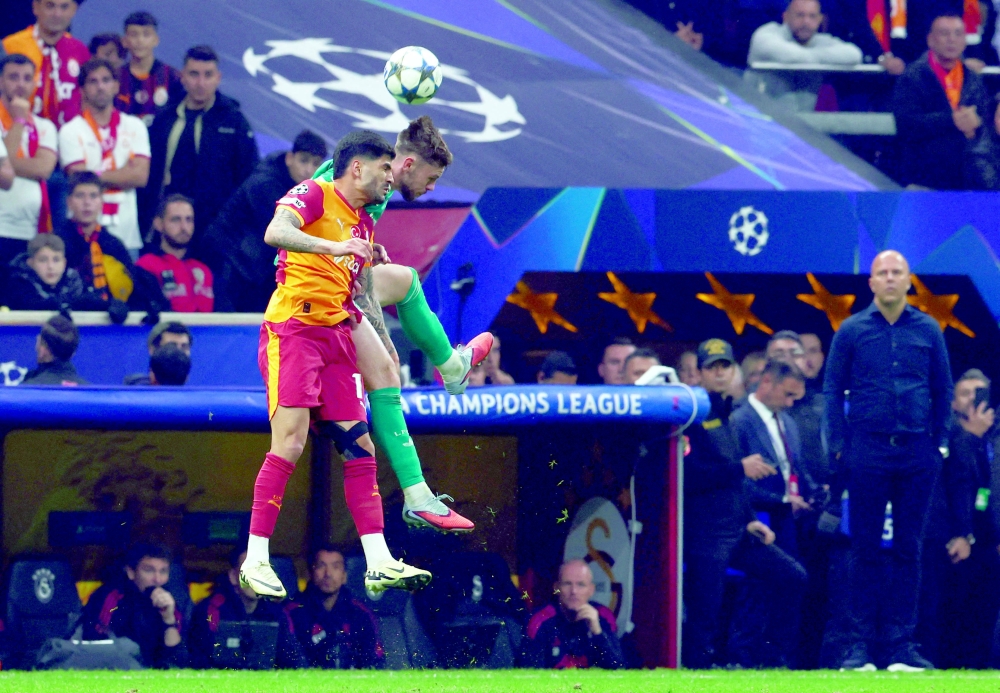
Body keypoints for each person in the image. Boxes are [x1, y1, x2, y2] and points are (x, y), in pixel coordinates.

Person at [239, 130, 431, 600]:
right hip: (293, 332)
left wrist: (364, 263)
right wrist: (336, 249)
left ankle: (379, 561)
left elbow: (352, 281)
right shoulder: (314, 192)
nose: (393, 176)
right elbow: (275, 232)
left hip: (336, 337)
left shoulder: (363, 223)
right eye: (385, 167)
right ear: (357, 168)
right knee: (291, 442)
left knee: (360, 447)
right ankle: (255, 559)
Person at [312, 116, 490, 534]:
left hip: (312, 281)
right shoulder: (376, 188)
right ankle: (416, 496)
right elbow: (350, 281)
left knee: (407, 280)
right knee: (387, 373)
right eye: (432, 178)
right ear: (406, 165)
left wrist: (366, 250)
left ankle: (451, 366)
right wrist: (379, 333)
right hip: (315, 297)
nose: (432, 189)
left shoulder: (357, 168)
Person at [824, 250, 953, 671]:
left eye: (898, 272)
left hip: (918, 451)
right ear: (872, 283)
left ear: (909, 280)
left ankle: (901, 647)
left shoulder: (929, 329)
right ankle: (858, 647)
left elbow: (943, 391)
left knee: (909, 549)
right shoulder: (851, 329)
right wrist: (839, 446)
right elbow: (832, 390)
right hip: (867, 449)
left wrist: (940, 444)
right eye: (883, 272)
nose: (891, 278)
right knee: (863, 549)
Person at [682, 338, 806, 668]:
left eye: (725, 366)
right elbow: (688, 476)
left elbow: (735, 483)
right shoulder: (689, 416)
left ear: (734, 369)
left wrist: (750, 517)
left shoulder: (727, 412)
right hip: (704, 532)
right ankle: (698, 675)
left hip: (736, 528)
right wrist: (740, 468)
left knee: (793, 576)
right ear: (699, 373)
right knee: (704, 614)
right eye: (713, 367)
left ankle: (769, 659)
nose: (720, 373)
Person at [143, 45, 257, 241]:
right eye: (194, 74)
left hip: (213, 232)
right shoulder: (164, 117)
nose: (201, 83)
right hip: (163, 229)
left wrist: (228, 227)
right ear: (182, 76)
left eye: (208, 75)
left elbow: (247, 179)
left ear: (218, 78)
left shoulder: (234, 121)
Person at [205, 130, 327, 312]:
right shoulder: (264, 184)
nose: (308, 169)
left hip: (254, 269)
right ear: (289, 158)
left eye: (315, 164)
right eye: (303, 160)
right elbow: (286, 234)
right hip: (229, 265)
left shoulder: (303, 190)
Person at [892, 13, 999, 190]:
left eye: (958, 34)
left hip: (969, 180)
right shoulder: (912, 77)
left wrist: (978, 123)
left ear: (965, 40)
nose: (951, 40)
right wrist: (951, 120)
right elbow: (906, 125)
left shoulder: (973, 78)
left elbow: (984, 122)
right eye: (944, 33)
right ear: (930, 40)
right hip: (924, 178)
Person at [59, 58, 150, 256]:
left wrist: (94, 173)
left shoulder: (135, 126)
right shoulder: (70, 130)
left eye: (106, 80)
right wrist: (125, 173)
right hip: (82, 236)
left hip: (127, 236)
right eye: (93, 81)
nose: (100, 87)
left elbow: (140, 177)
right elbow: (79, 180)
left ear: (116, 86)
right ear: (82, 90)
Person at [731, 360, 818, 556]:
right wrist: (781, 500)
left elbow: (797, 466)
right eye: (787, 394)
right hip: (759, 518)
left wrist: (813, 491)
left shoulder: (788, 421)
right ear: (767, 381)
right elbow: (737, 480)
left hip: (790, 520)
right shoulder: (738, 421)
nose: (790, 403)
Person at [56, 171, 165, 314]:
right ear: (69, 202)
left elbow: (131, 285)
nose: (87, 202)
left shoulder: (113, 245)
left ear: (102, 202)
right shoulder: (58, 243)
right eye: (80, 195)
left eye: (93, 196)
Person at [189, 547, 307, 669]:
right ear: (233, 577)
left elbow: (296, 660)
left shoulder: (277, 612)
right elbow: (201, 661)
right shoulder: (210, 609)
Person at [80, 542, 188, 668]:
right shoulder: (111, 597)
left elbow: (179, 659)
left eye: (163, 571)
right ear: (131, 572)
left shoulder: (170, 602)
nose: (157, 579)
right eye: (149, 571)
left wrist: (169, 619)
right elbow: (96, 646)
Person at [747, 0, 864, 111]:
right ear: (786, 17)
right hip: (760, 121)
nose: (806, 22)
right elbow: (791, 56)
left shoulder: (820, 41)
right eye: (800, 15)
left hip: (803, 124)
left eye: (812, 16)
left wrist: (812, 56)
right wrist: (823, 58)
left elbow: (854, 54)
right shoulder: (767, 33)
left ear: (820, 20)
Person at [0, 53, 57, 271]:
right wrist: (19, 121)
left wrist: (7, 162)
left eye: (26, 78)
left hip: (30, 231)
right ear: (1, 81)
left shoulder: (45, 126)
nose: (20, 84)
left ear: (35, 83)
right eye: (13, 77)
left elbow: (43, 168)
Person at [286, 545, 385, 669]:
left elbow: (374, 661)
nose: (328, 574)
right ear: (310, 572)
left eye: (336, 567)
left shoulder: (361, 614)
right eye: (321, 566)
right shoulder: (292, 613)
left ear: (344, 576)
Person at [521, 559, 624, 669]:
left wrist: (597, 632)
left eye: (581, 584)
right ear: (556, 588)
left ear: (591, 590)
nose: (574, 591)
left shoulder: (603, 616)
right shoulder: (540, 620)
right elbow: (529, 675)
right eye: (567, 584)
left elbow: (619, 669)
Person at [2, 0, 90, 128]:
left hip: (70, 139)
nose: (57, 14)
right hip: (19, 133)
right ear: (36, 7)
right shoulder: (10, 46)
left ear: (73, 11)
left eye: (64, 7)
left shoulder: (80, 50)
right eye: (50, 6)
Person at [136, 194, 214, 312]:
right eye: (176, 220)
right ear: (158, 224)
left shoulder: (204, 269)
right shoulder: (146, 266)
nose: (184, 227)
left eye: (189, 220)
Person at [6, 233, 107, 311]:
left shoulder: (76, 283)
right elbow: (30, 304)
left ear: (64, 263)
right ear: (30, 263)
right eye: (43, 260)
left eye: (56, 260)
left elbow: (95, 301)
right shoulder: (17, 285)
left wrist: (111, 305)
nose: (50, 266)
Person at [116, 12, 182, 127]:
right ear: (125, 41)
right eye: (134, 35)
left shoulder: (172, 77)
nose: (140, 40)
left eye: (146, 35)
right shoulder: (115, 77)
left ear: (156, 40)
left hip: (159, 143)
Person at [20, 313, 86, 385]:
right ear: (73, 353)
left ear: (42, 350)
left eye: (38, 341)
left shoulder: (28, 389)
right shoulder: (90, 392)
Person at [124, 322, 192, 385]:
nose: (178, 352)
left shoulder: (198, 395)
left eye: (184, 347)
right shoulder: (133, 392)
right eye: (171, 346)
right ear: (152, 350)